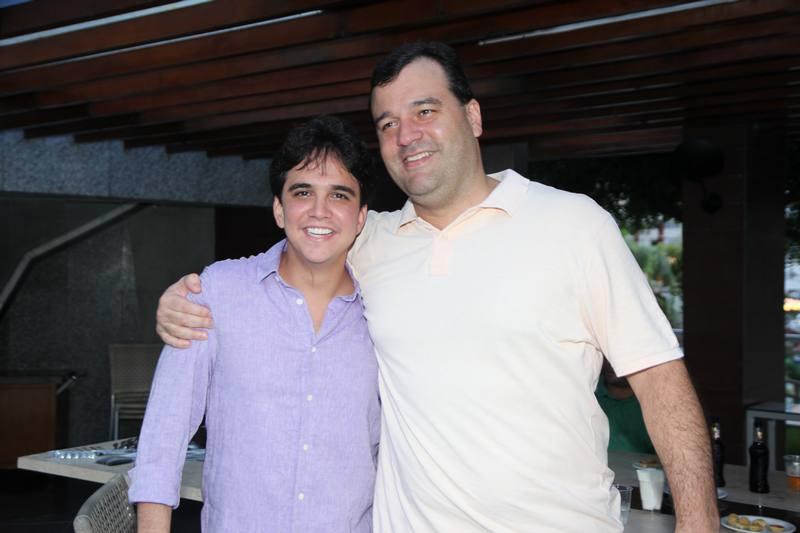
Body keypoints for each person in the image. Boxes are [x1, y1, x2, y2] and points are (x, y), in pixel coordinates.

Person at [154, 42, 718, 532]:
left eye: (425, 110)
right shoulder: (372, 240)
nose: (407, 136)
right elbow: (303, 245)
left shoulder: (574, 225)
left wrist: (699, 523)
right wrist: (191, 295)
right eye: (388, 124)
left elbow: (660, 379)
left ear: (472, 116)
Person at [129, 115, 381, 532]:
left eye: (339, 195)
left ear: (360, 218)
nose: (320, 211)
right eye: (303, 192)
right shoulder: (216, 292)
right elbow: (162, 436)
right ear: (279, 209)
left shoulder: (384, 314)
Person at [596, 359, 656, 454]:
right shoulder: (588, 392)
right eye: (607, 357)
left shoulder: (653, 400)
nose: (610, 363)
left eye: (619, 358)